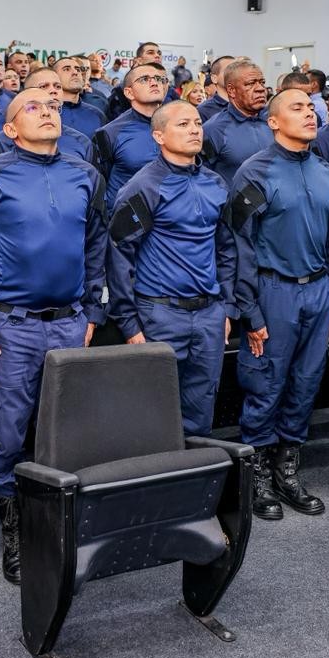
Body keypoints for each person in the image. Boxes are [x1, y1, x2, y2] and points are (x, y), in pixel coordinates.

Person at [0, 88, 107, 584]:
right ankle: (14, 525)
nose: (48, 112)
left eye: (53, 107)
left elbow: (96, 246)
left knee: (66, 424)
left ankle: (59, 515)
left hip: (69, 322)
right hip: (11, 325)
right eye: (33, 108)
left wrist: (93, 312)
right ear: (10, 128)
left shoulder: (85, 175)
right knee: (8, 425)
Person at [228, 90, 329, 520]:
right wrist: (250, 309)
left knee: (306, 383)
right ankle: (258, 473)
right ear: (274, 122)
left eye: (311, 108)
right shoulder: (254, 172)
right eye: (297, 108)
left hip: (317, 292)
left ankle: (287, 468)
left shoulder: (326, 172)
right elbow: (239, 244)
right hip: (272, 291)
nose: (309, 114)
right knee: (266, 384)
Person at [109, 100, 235, 435]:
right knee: (153, 410)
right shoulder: (143, 186)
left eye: (197, 123)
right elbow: (120, 256)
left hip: (209, 313)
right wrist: (129, 323)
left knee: (202, 408)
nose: (194, 130)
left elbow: (226, 248)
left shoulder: (216, 183)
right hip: (160, 315)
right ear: (159, 136)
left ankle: (197, 467)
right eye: (183, 124)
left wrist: (226, 306)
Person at [0, 69, 94, 163]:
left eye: (58, 86)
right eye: (44, 86)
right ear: (26, 93)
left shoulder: (82, 142)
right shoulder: (0, 143)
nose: (53, 91)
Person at [94, 62, 167, 207]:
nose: (154, 83)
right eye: (144, 79)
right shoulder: (109, 133)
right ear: (129, 92)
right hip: (129, 216)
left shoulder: (179, 125)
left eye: (158, 79)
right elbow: (100, 185)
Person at [202, 59, 272, 184]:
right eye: (250, 84)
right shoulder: (212, 130)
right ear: (231, 90)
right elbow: (203, 174)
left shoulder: (276, 121)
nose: (261, 89)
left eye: (262, 82)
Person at [54, 56, 104, 138]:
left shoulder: (97, 115)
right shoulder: (45, 114)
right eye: (67, 69)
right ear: (54, 77)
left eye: (78, 69)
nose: (75, 72)